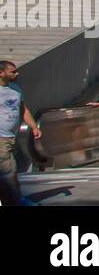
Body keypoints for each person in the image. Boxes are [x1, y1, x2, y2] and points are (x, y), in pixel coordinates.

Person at [0, 60, 42, 206]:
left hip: (11, 137)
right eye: (12, 71)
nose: (16, 73)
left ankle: (11, 201)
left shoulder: (15, 89)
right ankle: (17, 201)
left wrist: (34, 127)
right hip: (1, 138)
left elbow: (23, 110)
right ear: (1, 73)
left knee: (9, 172)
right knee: (9, 171)